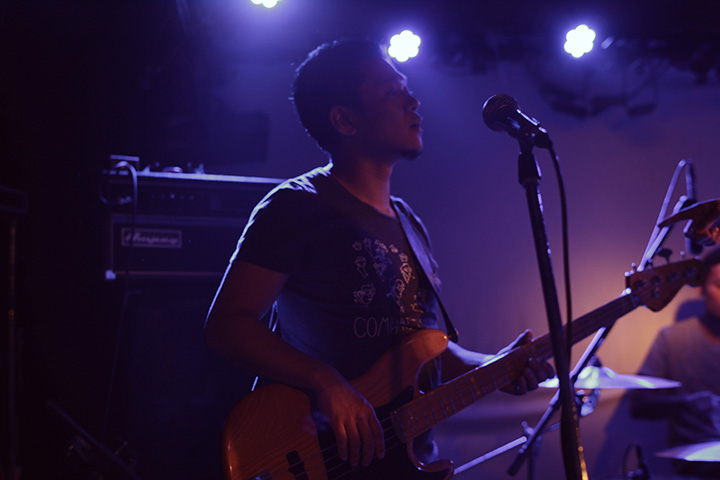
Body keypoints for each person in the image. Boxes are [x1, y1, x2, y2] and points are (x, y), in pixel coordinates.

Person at [204, 38, 554, 475]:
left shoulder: (409, 222)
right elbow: (227, 326)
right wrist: (324, 380)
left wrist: (495, 367)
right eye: (393, 90)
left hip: (406, 462)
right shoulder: (296, 206)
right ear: (345, 120)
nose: (413, 100)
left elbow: (426, 347)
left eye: (407, 88)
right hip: (322, 457)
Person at [630, 246, 720, 477]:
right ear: (701, 288)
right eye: (719, 286)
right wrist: (687, 403)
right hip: (697, 467)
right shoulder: (673, 339)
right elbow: (639, 403)